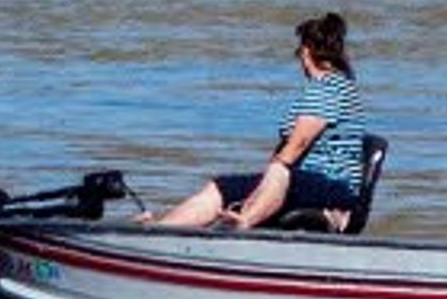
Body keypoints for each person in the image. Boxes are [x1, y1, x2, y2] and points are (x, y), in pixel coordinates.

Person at [142, 12, 375, 231]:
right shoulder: (335, 86)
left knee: (275, 171)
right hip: (306, 183)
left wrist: (265, 184)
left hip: (330, 189)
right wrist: (260, 188)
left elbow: (298, 144)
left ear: (305, 53)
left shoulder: (327, 87)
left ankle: (242, 225)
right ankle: (162, 229)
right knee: (223, 187)